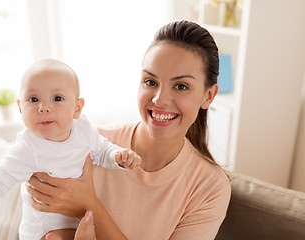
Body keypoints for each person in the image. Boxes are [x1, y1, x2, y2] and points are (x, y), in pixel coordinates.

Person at [25, 20, 231, 240]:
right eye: (150, 82)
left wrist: (89, 205)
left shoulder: (209, 187)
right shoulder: (86, 143)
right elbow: (37, 224)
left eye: (181, 86)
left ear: (208, 95)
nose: (160, 99)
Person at [0, 59, 142, 240]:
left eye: (57, 98)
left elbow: (101, 150)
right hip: (43, 230)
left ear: (77, 108)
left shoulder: (83, 128)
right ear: (20, 108)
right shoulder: (27, 147)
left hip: (78, 219)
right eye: (33, 99)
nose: (44, 107)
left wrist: (117, 156)